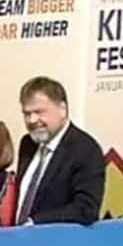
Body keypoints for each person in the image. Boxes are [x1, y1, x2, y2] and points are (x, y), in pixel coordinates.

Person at [14, 76, 104, 226]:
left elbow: (85, 209)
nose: (32, 120)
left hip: (56, 238)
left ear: (62, 109)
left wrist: (34, 223)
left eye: (39, 112)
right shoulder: (27, 144)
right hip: (17, 237)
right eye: (26, 114)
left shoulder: (85, 149)